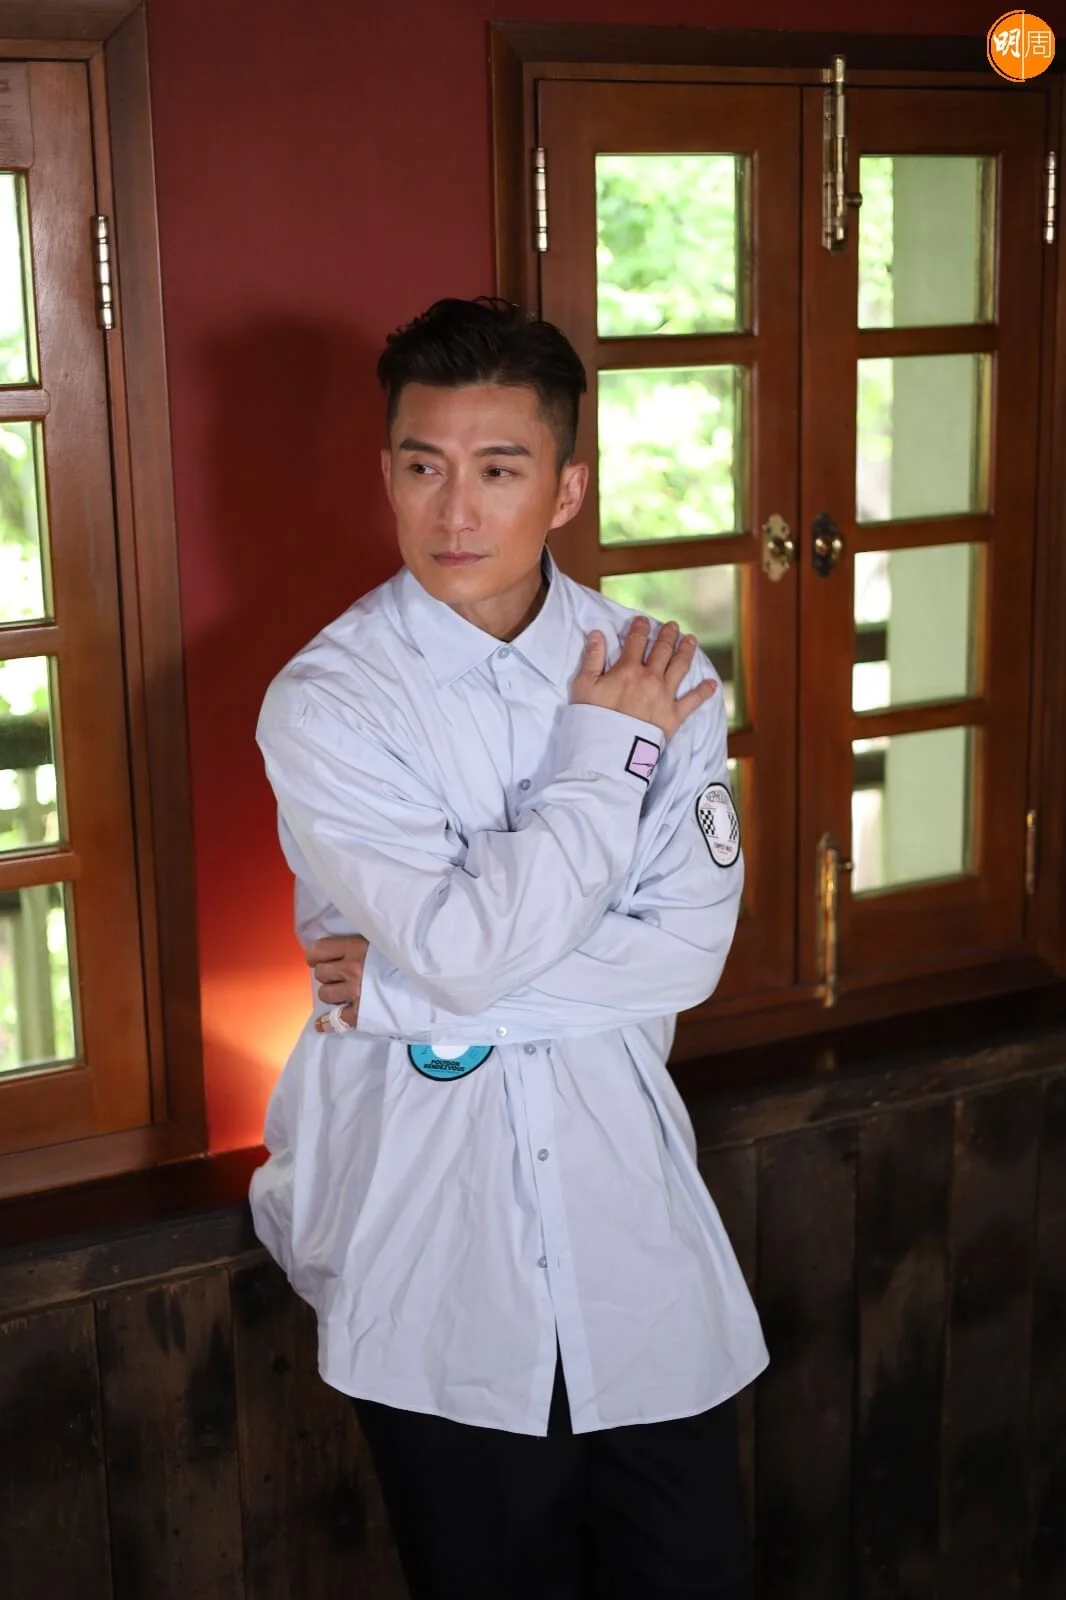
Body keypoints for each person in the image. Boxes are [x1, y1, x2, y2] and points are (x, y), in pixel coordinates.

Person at [251, 296, 768, 1599]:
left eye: (498, 469)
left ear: (565, 488)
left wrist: (398, 995)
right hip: (435, 1263)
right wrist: (607, 752)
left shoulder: (664, 671)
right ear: (387, 473)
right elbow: (467, 950)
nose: (454, 511)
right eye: (423, 466)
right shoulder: (329, 702)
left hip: (634, 1245)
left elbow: (681, 961)